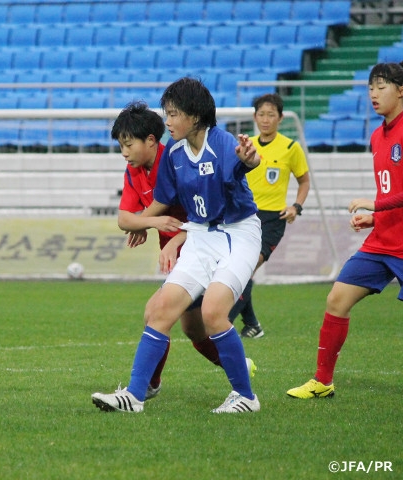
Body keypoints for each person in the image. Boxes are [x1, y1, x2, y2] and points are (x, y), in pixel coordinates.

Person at [92, 77, 262, 414]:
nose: (167, 121)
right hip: (200, 235)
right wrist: (144, 222)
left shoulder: (223, 142)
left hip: (238, 233)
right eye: (167, 114)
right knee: (158, 311)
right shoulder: (175, 155)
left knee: (213, 312)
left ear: (195, 116)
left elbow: (244, 164)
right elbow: (164, 204)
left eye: (173, 114)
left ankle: (246, 396)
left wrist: (249, 160)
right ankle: (135, 396)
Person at [287, 62, 403, 399]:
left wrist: (374, 205)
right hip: (383, 241)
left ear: (400, 89)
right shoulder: (377, 137)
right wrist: (374, 219)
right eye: (370, 87)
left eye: (381, 86)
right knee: (337, 299)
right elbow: (391, 190)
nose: (373, 93)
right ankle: (323, 381)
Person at [228, 93, 311, 338]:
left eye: (271, 115)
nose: (265, 120)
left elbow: (304, 181)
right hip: (244, 216)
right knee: (243, 271)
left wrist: (296, 206)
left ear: (281, 118)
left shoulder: (290, 147)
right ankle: (253, 325)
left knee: (246, 269)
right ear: (254, 117)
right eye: (261, 115)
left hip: (273, 219)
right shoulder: (246, 145)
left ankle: (224, 321)